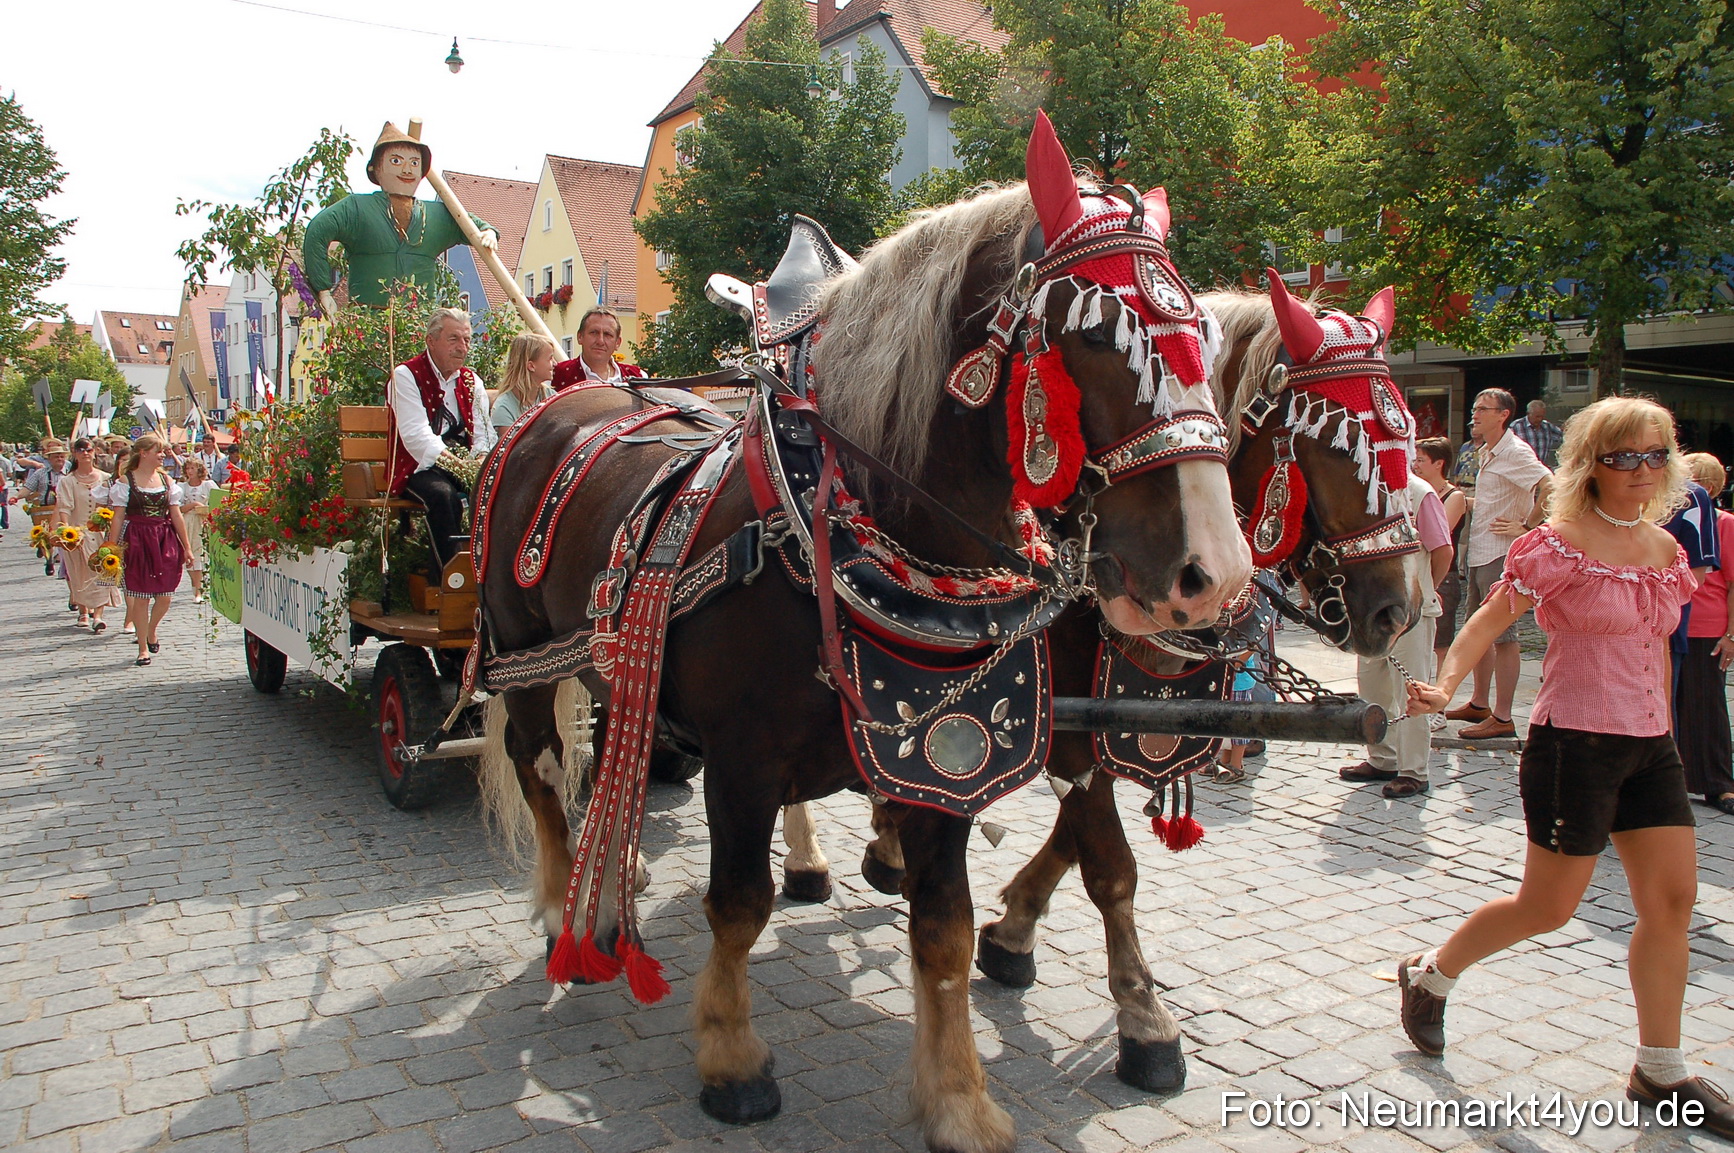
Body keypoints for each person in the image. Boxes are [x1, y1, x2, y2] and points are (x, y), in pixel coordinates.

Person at [1399, 397, 1731, 1138]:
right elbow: (1487, 617)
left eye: (1655, 455)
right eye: (1625, 457)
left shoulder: (1666, 549)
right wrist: (1448, 683)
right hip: (1572, 744)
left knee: (1673, 901)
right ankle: (1431, 974)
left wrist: (1668, 740)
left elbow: (1656, 650)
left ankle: (1661, 1066)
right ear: (1592, 463)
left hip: (1651, 745)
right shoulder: (1557, 543)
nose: (1643, 470)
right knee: (1547, 908)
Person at [1445, 389, 1553, 740]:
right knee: (1480, 632)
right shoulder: (1489, 451)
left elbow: (1549, 484)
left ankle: (1503, 717)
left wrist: (1529, 525)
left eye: (1482, 409)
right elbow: (1492, 499)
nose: (1474, 414)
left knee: (1504, 636)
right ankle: (1479, 703)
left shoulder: (1515, 451)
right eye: (1474, 407)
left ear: (1503, 414)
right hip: (1481, 551)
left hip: (1500, 555)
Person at [1340, 471, 1453, 798]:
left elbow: (1443, 551)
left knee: (1413, 691)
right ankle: (1383, 759)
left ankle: (1413, 771)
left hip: (1409, 612)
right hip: (1371, 612)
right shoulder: (1362, 488)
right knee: (1372, 686)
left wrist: (1423, 591)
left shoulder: (1420, 493)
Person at [300, 122, 497, 309]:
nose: (406, 169)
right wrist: (323, 289)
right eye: (396, 161)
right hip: (368, 322)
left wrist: (487, 232)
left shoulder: (436, 214)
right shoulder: (357, 208)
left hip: (419, 324)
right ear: (375, 168)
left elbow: (470, 224)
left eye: (414, 163)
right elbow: (318, 231)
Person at [387, 307, 495, 570]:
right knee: (443, 497)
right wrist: (458, 466)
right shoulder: (406, 375)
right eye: (453, 339)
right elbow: (416, 437)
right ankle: (449, 579)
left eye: (467, 340)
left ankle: (489, 574)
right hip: (418, 466)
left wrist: (479, 460)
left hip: (459, 461)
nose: (462, 347)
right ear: (431, 341)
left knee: (498, 489)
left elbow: (483, 433)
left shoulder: (471, 381)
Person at [1675, 453, 1734, 815]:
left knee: (1706, 707)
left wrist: (1731, 635)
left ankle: (1718, 783)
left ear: (1708, 488)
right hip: (1673, 620)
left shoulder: (1725, 523)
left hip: (1707, 626)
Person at [106, 434, 193, 666]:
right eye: (159, 451)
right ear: (143, 453)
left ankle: (151, 630)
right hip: (137, 539)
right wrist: (111, 547)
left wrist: (187, 547)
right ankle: (143, 648)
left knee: (165, 595)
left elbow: (176, 515)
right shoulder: (126, 482)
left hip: (164, 538)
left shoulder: (167, 482)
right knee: (140, 597)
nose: (163, 455)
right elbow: (118, 516)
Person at [55, 438, 122, 632]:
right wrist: (67, 531)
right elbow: (65, 507)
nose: (85, 453)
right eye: (81, 450)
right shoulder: (68, 481)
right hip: (77, 533)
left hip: (101, 534)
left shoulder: (105, 478)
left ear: (94, 452)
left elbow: (114, 504)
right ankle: (83, 611)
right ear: (74, 454)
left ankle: (98, 615)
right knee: (80, 573)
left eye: (89, 450)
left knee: (103, 571)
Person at [1414, 438, 1468, 675]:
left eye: (1421, 460)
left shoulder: (1454, 496)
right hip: (1419, 572)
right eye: (1414, 459)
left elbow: (1438, 537)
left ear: (1439, 464)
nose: (1415, 465)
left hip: (1443, 575)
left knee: (1441, 644)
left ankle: (1440, 699)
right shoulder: (1416, 492)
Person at [552, 308, 645, 388]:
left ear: (617, 343)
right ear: (580, 337)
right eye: (594, 332)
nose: (600, 341)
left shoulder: (639, 377)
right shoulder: (555, 376)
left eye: (607, 334)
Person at [490, 332, 558, 430]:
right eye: (550, 358)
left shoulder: (551, 397)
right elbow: (511, 444)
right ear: (531, 366)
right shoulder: (504, 407)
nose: (555, 363)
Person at [24, 441, 68, 577]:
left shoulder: (70, 472)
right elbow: (28, 487)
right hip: (44, 508)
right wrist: (16, 497)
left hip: (64, 509)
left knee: (63, 535)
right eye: (56, 457)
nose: (60, 459)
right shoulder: (40, 473)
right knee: (45, 537)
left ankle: (63, 562)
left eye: (61, 456)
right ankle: (49, 560)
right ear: (49, 459)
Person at [179, 458, 216, 605]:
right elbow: (179, 508)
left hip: (203, 521)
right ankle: (196, 586)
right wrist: (194, 504)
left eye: (193, 468)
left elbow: (216, 502)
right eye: (188, 468)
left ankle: (200, 588)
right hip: (189, 521)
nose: (190, 471)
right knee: (190, 553)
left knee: (201, 552)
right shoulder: (182, 487)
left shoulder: (208, 485)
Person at [1510, 398, 1564, 469]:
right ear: (1529, 414)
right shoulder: (1516, 426)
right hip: (1521, 469)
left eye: (1542, 416)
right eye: (1537, 416)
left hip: (1541, 469)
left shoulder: (1547, 426)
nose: (1540, 419)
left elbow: (1564, 437)